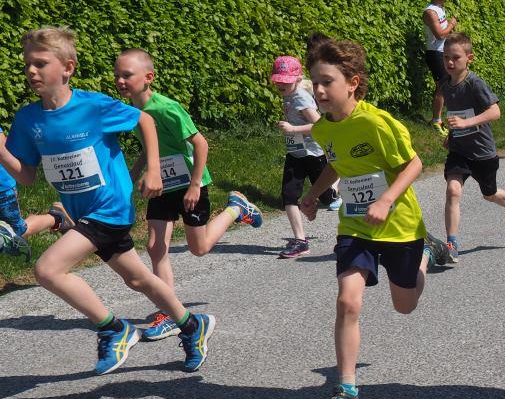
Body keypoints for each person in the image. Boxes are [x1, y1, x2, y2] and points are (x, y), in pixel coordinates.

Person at [0, 26, 214, 375]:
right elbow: (26, 176)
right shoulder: (27, 119)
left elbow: (145, 119)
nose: (31, 71)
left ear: (67, 68)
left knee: (48, 269)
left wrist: (154, 169)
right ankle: (192, 325)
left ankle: (113, 329)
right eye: (27, 65)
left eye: (40, 63)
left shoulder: (93, 106)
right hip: (81, 211)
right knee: (138, 279)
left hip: (110, 206)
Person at [298, 37, 451, 399]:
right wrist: (313, 195)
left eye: (327, 82)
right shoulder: (322, 130)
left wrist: (385, 200)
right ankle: (347, 392)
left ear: (352, 83)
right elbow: (336, 164)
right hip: (355, 226)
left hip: (399, 226)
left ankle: (426, 253)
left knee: (405, 305)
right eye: (315, 83)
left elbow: (413, 165)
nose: (319, 91)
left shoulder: (376, 122)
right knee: (348, 301)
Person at [113, 49, 263, 341]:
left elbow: (200, 144)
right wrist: (132, 176)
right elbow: (150, 148)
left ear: (148, 77)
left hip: (189, 183)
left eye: (127, 75)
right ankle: (170, 312)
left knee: (199, 248)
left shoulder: (167, 108)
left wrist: (195, 185)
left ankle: (236, 208)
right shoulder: (132, 112)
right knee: (155, 247)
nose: (120, 80)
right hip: (162, 185)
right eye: (117, 75)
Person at [439, 32, 505, 262]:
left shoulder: (475, 83)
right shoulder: (445, 85)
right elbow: (456, 114)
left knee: (490, 194)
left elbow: (495, 112)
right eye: (446, 57)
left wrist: (466, 123)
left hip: (482, 152)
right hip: (459, 150)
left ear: (469, 58)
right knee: (453, 190)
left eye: (455, 57)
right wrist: (452, 133)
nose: (449, 62)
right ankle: (451, 243)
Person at [271, 54, 334, 259]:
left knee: (327, 198)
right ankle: (300, 240)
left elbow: (320, 125)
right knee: (289, 195)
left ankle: (337, 186)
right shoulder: (289, 95)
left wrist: (293, 129)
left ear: (297, 79)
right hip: (296, 154)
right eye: (278, 81)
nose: (281, 85)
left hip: (313, 155)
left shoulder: (301, 97)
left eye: (286, 81)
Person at [0, 130, 72, 261]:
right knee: (12, 232)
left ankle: (56, 217)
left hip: (2, 189)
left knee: (16, 232)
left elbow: (2, 150)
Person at [423, 0, 456, 136]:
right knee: (441, 87)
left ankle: (437, 119)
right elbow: (440, 34)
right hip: (435, 53)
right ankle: (436, 121)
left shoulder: (439, 9)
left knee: (444, 86)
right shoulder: (430, 12)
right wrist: (451, 24)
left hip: (442, 52)